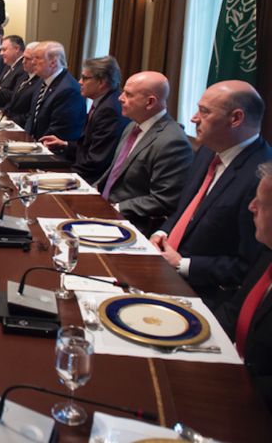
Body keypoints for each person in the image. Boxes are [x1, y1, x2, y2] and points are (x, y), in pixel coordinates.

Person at [150, 81, 272, 309]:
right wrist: (161, 232)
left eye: (204, 112)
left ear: (235, 118)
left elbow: (250, 265)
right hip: (163, 267)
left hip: (204, 294)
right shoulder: (208, 150)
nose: (194, 118)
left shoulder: (262, 177)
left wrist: (183, 265)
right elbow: (186, 210)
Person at [96, 71, 193, 236]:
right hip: (103, 209)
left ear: (150, 102)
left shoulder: (173, 142)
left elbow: (164, 200)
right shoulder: (132, 127)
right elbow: (114, 173)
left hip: (131, 225)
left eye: (129, 94)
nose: (120, 98)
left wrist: (115, 208)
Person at [214, 161, 272, 412]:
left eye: (262, 204)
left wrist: (233, 390)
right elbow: (235, 311)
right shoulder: (266, 252)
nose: (251, 207)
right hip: (227, 364)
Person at [40, 56, 130, 185]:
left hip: (93, 181)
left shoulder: (109, 110)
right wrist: (65, 144)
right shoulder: (104, 102)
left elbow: (97, 161)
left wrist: (60, 176)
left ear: (101, 82)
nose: (79, 82)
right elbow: (91, 145)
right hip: (83, 169)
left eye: (85, 78)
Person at [23, 41, 86, 141]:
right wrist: (26, 138)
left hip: (54, 150)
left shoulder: (69, 90)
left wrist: (33, 146)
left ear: (53, 62)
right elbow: (32, 115)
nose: (33, 62)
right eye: (33, 57)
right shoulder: (41, 80)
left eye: (38, 58)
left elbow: (58, 131)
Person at [3, 41, 42, 123]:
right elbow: (12, 102)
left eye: (27, 58)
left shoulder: (40, 81)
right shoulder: (24, 75)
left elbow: (31, 113)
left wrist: (10, 122)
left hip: (19, 125)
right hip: (8, 120)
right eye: (23, 57)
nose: (23, 61)